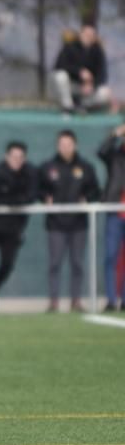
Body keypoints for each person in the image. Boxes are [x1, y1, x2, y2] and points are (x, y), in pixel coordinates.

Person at [39, 130, 100, 312]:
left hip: (78, 223)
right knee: (55, 263)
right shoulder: (48, 167)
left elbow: (95, 190)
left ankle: (76, 300)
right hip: (56, 224)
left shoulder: (86, 167)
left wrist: (86, 198)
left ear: (75, 145)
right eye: (62, 144)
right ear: (58, 146)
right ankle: (54, 301)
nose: (65, 148)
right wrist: (45, 198)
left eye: (69, 144)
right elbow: (39, 190)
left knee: (77, 263)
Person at [0, 141, 38, 313]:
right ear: (7, 156)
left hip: (13, 228)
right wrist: (14, 199)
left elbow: (31, 196)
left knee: (7, 264)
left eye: (20, 157)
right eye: (14, 156)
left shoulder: (30, 173)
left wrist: (10, 198)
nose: (17, 160)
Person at [51, 23, 114, 115]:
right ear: (80, 34)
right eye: (86, 34)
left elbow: (102, 74)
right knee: (60, 75)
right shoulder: (69, 47)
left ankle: (81, 105)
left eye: (91, 35)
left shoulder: (98, 51)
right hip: (71, 85)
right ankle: (67, 106)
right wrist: (79, 72)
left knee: (105, 92)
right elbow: (59, 65)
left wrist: (92, 85)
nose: (88, 37)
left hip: (87, 90)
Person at [98, 123, 125, 311]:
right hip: (116, 211)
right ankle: (110, 299)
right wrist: (115, 133)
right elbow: (101, 151)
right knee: (110, 255)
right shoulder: (115, 155)